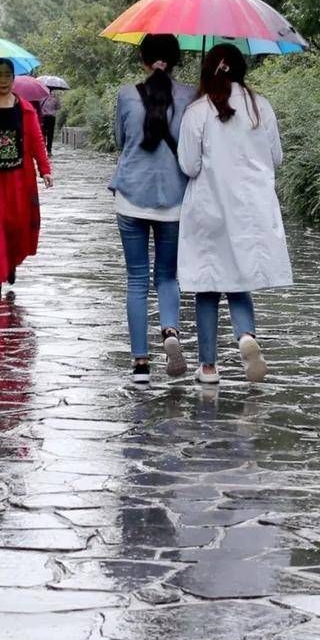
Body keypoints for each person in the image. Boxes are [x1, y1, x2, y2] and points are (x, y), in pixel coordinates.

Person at [177, 43, 292, 385]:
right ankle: (245, 336)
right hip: (250, 209)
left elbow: (189, 164)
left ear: (207, 71)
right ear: (242, 69)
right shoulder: (261, 107)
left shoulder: (197, 111)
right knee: (240, 281)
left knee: (208, 285)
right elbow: (277, 157)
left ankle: (208, 367)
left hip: (209, 207)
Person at [110, 34, 195, 384]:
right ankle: (170, 330)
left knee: (136, 280)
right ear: (175, 59)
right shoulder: (191, 96)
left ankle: (140, 363)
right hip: (174, 200)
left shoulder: (127, 94)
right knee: (167, 276)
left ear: (143, 59)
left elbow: (120, 140)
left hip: (131, 194)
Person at [0, 58, 54, 297]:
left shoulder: (25, 109)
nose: (3, 80)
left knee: (16, 225)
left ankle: (11, 263)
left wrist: (44, 170)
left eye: (7, 75)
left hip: (19, 179)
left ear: (13, 78)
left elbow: (37, 141)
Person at [39, 85, 61, 155]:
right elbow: (58, 107)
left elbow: (38, 106)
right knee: (50, 134)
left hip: (43, 117)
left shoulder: (41, 97)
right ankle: (49, 150)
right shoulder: (55, 98)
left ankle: (43, 149)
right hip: (52, 118)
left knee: (43, 134)